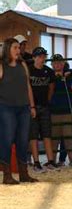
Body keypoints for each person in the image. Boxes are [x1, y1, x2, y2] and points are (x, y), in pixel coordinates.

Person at [0, 38, 38, 184]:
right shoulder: (1, 65)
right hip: (5, 107)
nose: (18, 50)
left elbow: (28, 85)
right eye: (15, 47)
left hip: (24, 108)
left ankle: (24, 174)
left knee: (23, 140)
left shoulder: (23, 64)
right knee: (7, 140)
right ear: (7, 49)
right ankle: (7, 175)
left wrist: (32, 106)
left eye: (19, 47)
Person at [29, 47, 59, 172]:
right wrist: (31, 105)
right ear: (34, 58)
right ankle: (36, 162)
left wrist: (47, 101)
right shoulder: (29, 70)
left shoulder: (49, 71)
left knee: (47, 134)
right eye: (40, 56)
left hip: (44, 106)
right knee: (33, 135)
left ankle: (50, 161)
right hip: (32, 107)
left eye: (44, 56)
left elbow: (52, 87)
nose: (42, 59)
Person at [50, 54, 72, 167]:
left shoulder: (69, 75)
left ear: (64, 63)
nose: (58, 64)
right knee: (54, 138)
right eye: (55, 63)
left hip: (67, 111)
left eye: (60, 62)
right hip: (54, 111)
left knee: (69, 138)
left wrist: (69, 72)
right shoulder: (50, 76)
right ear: (52, 64)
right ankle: (53, 161)